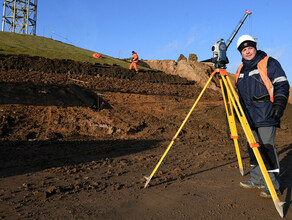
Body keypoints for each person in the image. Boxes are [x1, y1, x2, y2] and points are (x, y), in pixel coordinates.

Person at [235, 34, 290, 198]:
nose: (248, 51)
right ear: (241, 52)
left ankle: (273, 186)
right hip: (249, 118)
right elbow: (238, 94)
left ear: (255, 47)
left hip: (266, 114)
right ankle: (257, 179)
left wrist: (279, 104)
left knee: (267, 150)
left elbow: (282, 84)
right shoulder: (240, 69)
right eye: (244, 49)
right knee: (253, 149)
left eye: (250, 48)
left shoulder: (268, 62)